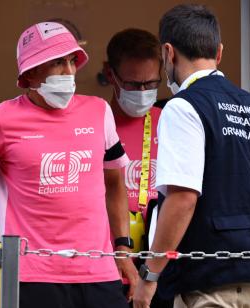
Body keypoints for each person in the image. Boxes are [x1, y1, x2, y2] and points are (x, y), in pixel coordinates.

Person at [133, 4, 250, 308]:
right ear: (219, 53)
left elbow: (182, 199)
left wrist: (150, 276)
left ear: (168, 53)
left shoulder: (183, 107)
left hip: (207, 284)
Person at [0, 21, 138, 308]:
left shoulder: (99, 112)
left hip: (98, 271)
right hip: (34, 277)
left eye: (71, 61)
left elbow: (114, 183)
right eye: (57, 62)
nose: (69, 71)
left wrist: (123, 246)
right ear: (31, 71)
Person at [103, 28, 172, 308]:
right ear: (111, 75)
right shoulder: (91, 122)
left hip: (160, 272)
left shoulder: (172, 121)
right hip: (104, 270)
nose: (143, 93)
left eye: (152, 84)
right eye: (133, 85)